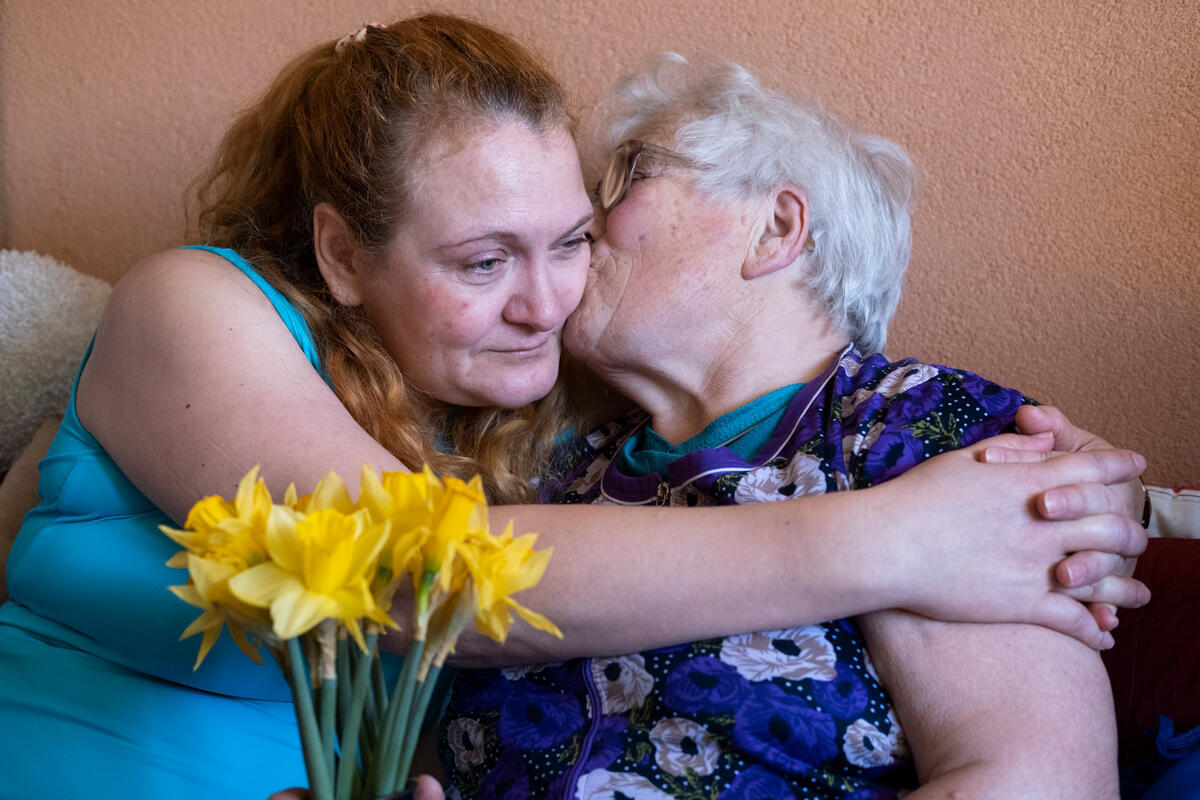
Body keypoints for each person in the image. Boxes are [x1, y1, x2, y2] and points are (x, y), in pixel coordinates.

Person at [0, 16, 1145, 800]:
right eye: (488, 255)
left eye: (591, 217)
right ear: (343, 253)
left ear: (780, 230)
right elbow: (412, 565)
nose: (555, 287)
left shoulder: (901, 434)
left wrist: (1082, 488)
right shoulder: (213, 311)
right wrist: (901, 537)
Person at [436, 54, 1130, 798]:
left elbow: (1031, 781)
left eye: (626, 176)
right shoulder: (559, 472)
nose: (578, 222)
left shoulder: (913, 431)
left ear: (775, 229)